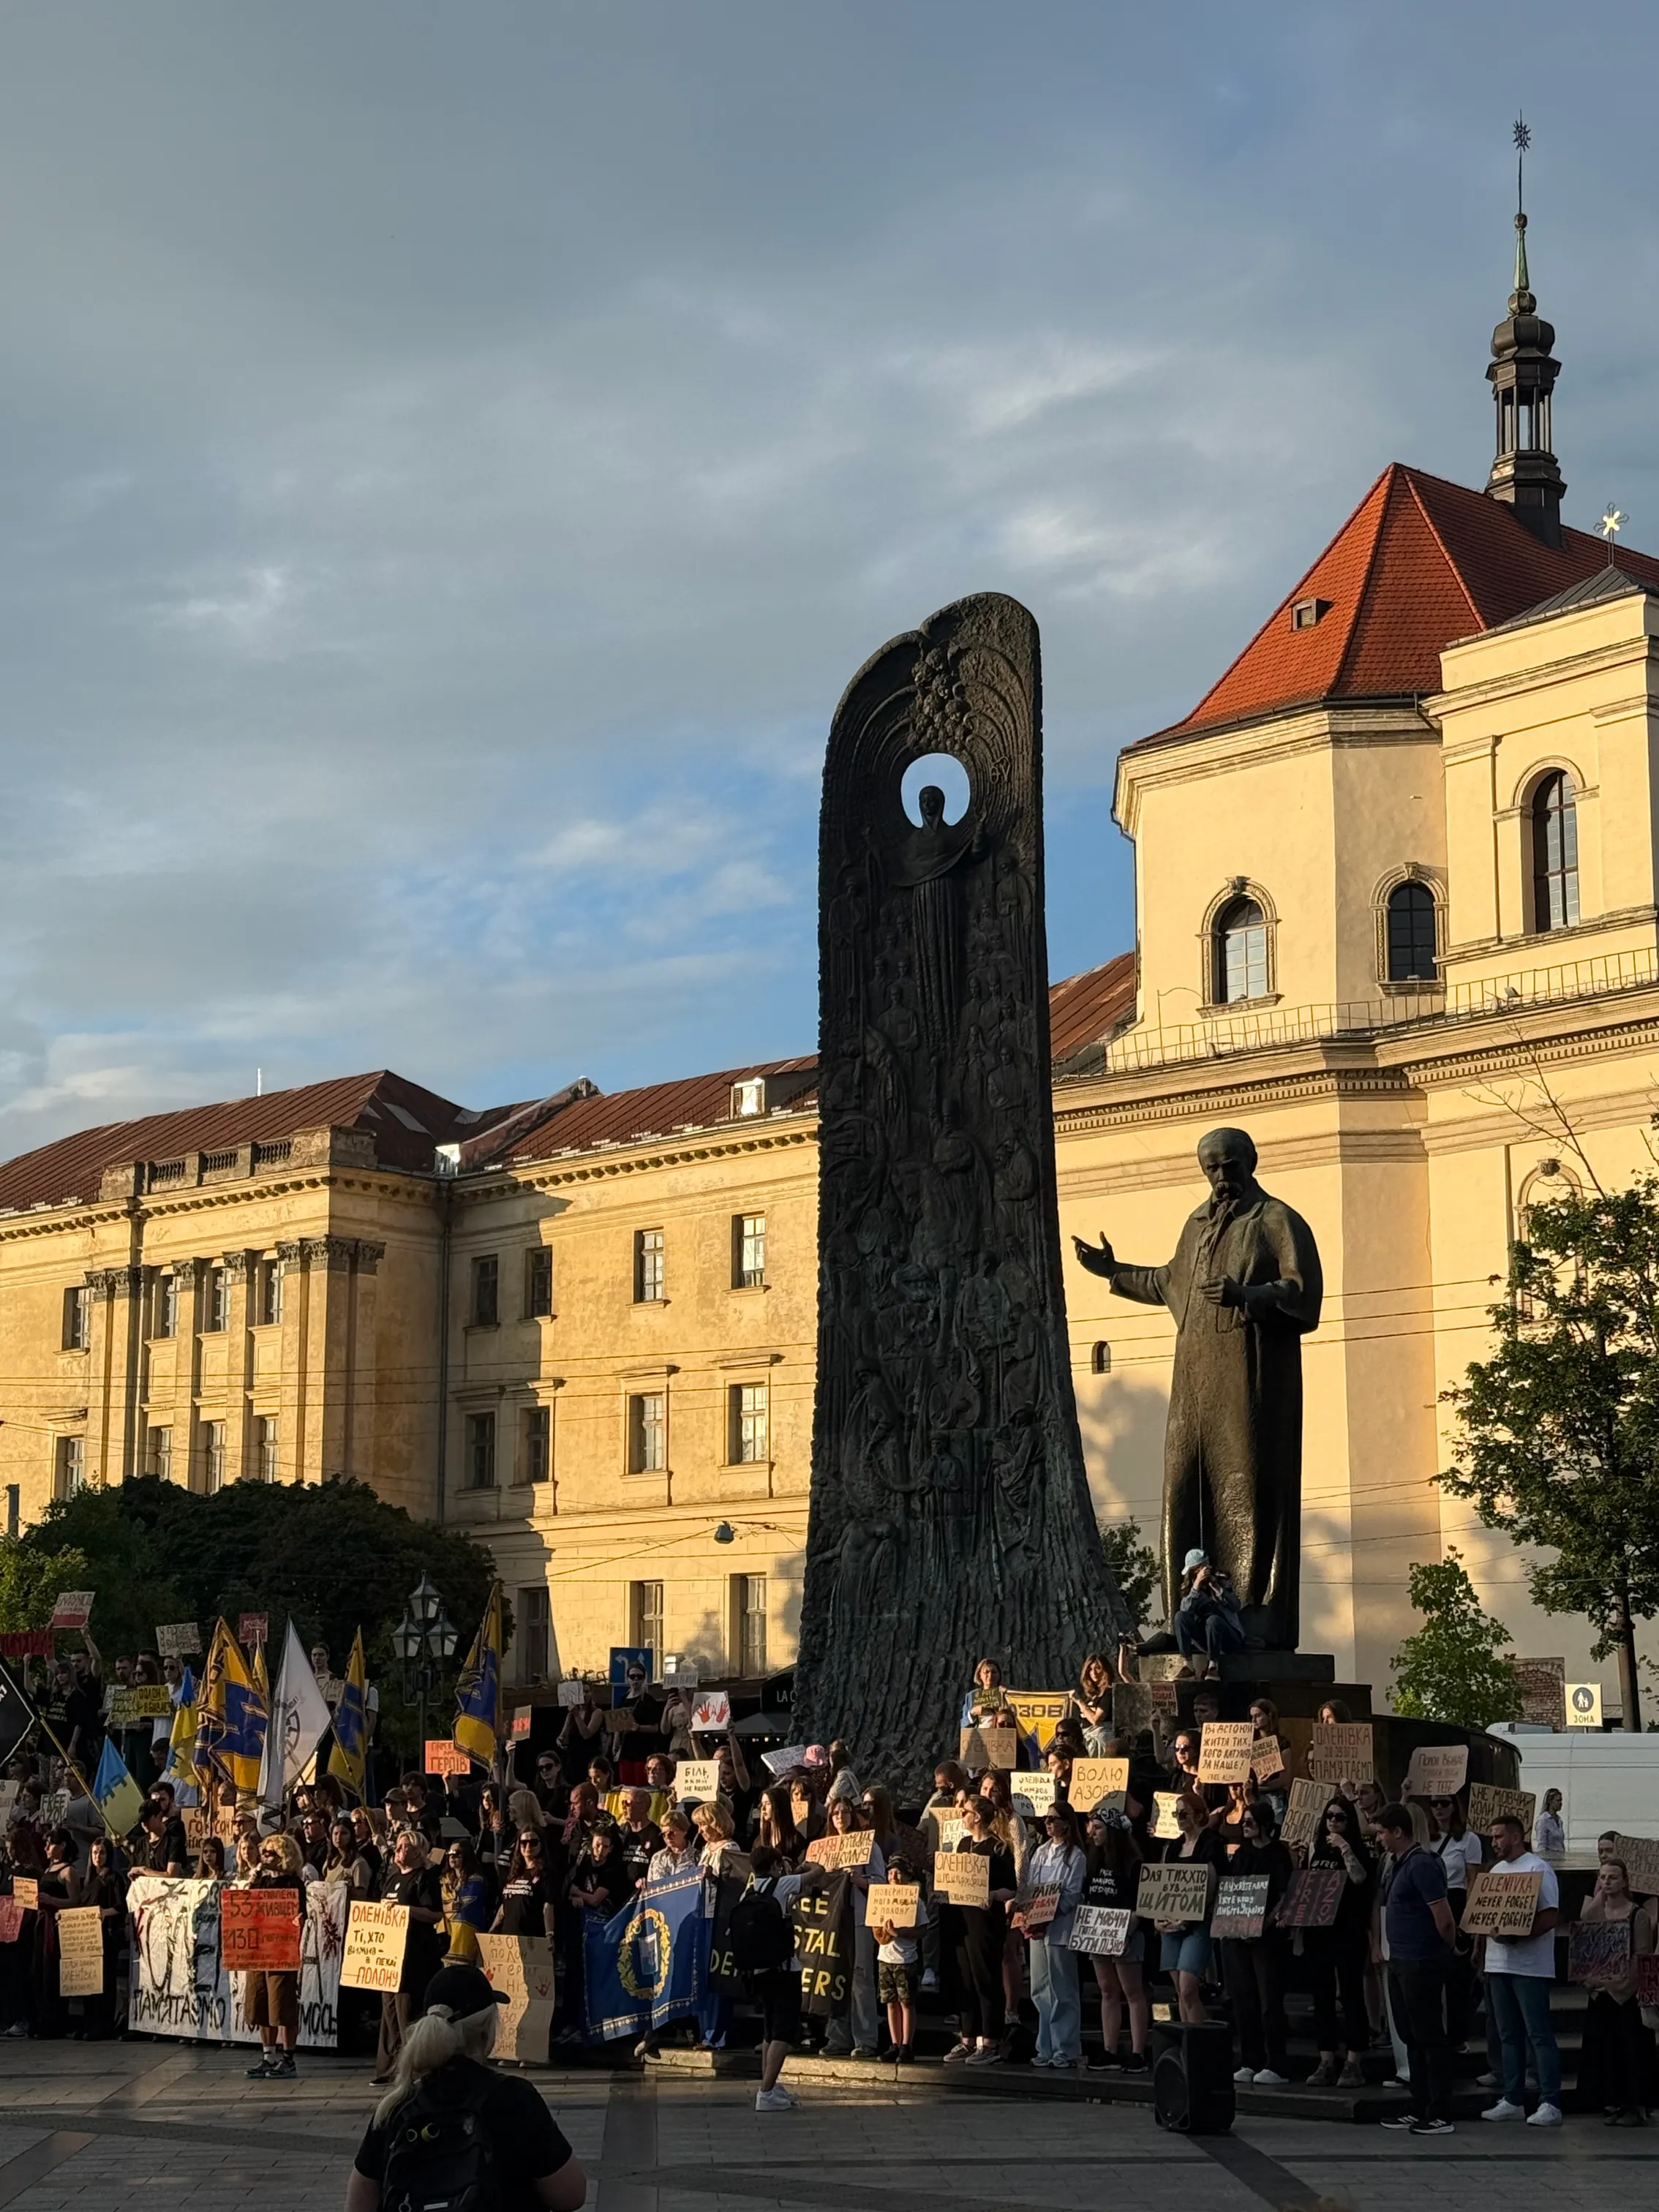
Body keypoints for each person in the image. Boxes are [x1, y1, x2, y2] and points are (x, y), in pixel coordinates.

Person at [347, 1960, 587, 2212]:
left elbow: (358, 2204)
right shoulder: (514, 2097)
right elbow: (570, 2195)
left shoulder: (396, 2106)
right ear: (486, 2031)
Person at [1373, 1802, 1458, 2137]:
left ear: (1398, 1832)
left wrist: (1445, 1948)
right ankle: (1418, 2104)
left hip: (1421, 1961)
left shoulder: (1422, 1864)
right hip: (1401, 1960)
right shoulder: (1396, 1864)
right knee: (1410, 2034)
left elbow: (1444, 1918)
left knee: (1429, 2036)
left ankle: (1439, 2111)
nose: (1378, 1838)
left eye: (1382, 1832)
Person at [1479, 1811, 1562, 2127]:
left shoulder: (1539, 1868)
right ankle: (1512, 2098)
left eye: (1499, 1836)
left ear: (1516, 1836)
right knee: (1507, 2034)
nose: (1494, 1842)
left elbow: (1551, 1914)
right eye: (1493, 1837)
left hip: (1530, 1967)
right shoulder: (1496, 1870)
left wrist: (1519, 1936)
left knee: (1538, 2034)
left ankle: (1550, 2101)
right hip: (1498, 1963)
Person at [1576, 1858, 1657, 2125]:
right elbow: (1585, 1941)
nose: (1607, 1882)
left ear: (1624, 1881)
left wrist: (1616, 1986)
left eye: (1612, 1877)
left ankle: (1635, 2107)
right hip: (1600, 1994)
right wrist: (1591, 1982)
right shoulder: (1596, 1910)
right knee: (1606, 2051)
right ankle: (1612, 2103)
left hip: (1626, 1997)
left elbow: (1640, 1957)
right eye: (1602, 1877)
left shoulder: (1638, 1915)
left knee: (1630, 2052)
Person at [1302, 1797, 1374, 2088]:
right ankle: (1326, 2059)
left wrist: (1344, 1847)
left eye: (1340, 1817)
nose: (1333, 1821)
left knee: (1351, 1993)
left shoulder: (1357, 1848)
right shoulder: (1315, 1847)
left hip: (1348, 1929)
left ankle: (1354, 2061)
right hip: (1318, 1929)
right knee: (1321, 1996)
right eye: (1329, 1816)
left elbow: (1360, 1879)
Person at [941, 1793, 1016, 2068]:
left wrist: (994, 1895)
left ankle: (991, 2041)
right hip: (961, 1919)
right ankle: (969, 2037)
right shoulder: (963, 1844)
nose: (961, 1815)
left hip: (985, 1922)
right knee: (966, 1980)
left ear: (978, 1817)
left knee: (986, 1978)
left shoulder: (998, 1848)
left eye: (965, 1812)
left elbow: (1012, 1888)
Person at [1222, 1801, 1293, 2085]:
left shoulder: (1278, 1854)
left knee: (1269, 2000)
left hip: (1268, 1937)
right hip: (1239, 1934)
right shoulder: (1241, 1854)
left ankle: (1277, 2063)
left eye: (1251, 1821)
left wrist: (1265, 1924)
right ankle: (1250, 2060)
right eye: (1244, 1821)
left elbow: (1285, 1894)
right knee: (1243, 1998)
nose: (1245, 1825)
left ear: (1265, 1824)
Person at [375, 1826, 447, 2084]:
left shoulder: (424, 1878)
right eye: (398, 1845)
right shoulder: (393, 1877)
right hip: (388, 1954)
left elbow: (435, 1914)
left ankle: (411, 2066)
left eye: (406, 1846)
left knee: (407, 2009)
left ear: (419, 1852)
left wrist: (405, 1910)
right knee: (389, 2010)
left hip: (413, 1953)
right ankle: (389, 2066)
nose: (399, 1849)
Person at [735, 1845, 802, 2112]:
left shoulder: (749, 1892)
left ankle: (770, 2085)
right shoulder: (782, 1884)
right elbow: (817, 1873)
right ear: (775, 1866)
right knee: (783, 2032)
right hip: (784, 1969)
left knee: (769, 2030)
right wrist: (797, 1868)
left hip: (758, 1972)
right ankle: (766, 2093)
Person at [1081, 1809, 1148, 2073]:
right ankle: (1109, 2050)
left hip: (1126, 1932)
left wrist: (1127, 1930)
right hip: (1098, 1931)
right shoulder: (1093, 1859)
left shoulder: (1133, 1863)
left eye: (1097, 1827)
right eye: (1091, 1827)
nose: (1092, 1832)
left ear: (1112, 1831)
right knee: (1107, 1990)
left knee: (1132, 1992)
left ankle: (1138, 2052)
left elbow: (1141, 1903)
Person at [1022, 1803, 1087, 2069]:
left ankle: (1066, 2048)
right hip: (1039, 1929)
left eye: (1053, 1819)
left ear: (1067, 1823)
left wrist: (1047, 1912)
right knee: (1040, 1989)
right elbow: (1030, 1887)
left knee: (1063, 1989)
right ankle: (1045, 2047)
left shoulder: (1076, 1856)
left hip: (1060, 1927)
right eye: (1046, 1819)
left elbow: (1071, 1894)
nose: (1048, 1823)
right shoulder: (1040, 1852)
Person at [242, 1831, 305, 2082]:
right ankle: (268, 2056)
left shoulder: (293, 1883)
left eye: (271, 1852)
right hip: (259, 1951)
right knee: (260, 2002)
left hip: (281, 1951)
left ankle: (288, 2058)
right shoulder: (262, 1881)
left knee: (282, 2004)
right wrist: (254, 1877)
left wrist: (299, 1920)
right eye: (264, 1851)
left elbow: (301, 1913)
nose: (265, 1856)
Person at [1157, 1790, 1225, 2024]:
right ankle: (1188, 2042)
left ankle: (1200, 2045)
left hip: (1199, 1923)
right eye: (1176, 1813)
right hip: (1171, 1922)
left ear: (1198, 1815)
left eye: (1184, 1813)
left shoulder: (1212, 1843)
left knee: (1188, 1988)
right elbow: (1162, 1883)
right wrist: (1158, 1917)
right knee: (1180, 1991)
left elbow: (1212, 1884)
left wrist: (1188, 1919)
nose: (1179, 1818)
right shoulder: (1173, 1847)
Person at [1427, 1793, 1483, 2047]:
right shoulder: (1425, 1837)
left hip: (1457, 1900)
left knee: (1458, 1975)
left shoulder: (1468, 1839)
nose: (1438, 1808)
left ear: (1454, 1807)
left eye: (1444, 1803)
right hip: (1430, 1902)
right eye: (1434, 1803)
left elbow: (1472, 1879)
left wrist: (1469, 1918)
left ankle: (1458, 2034)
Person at [872, 1849, 927, 2062]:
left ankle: (907, 2045)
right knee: (890, 2002)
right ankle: (895, 2043)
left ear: (906, 1875)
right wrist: (881, 1934)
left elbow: (923, 1930)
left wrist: (900, 1933)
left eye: (897, 1873)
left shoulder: (916, 1901)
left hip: (906, 1958)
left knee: (906, 2002)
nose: (893, 1877)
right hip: (885, 1957)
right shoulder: (882, 1899)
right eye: (890, 1873)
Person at [1170, 1551, 1244, 1675]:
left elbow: (1236, 1606)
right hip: (1207, 1640)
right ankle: (1188, 1665)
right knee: (1180, 1616)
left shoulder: (1221, 1582)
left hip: (1229, 1639)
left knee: (1213, 1620)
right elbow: (1185, 1612)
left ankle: (1213, 1667)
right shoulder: (1190, 1590)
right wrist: (1196, 1586)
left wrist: (1216, 1587)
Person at [443, 1840, 494, 1965]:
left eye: (457, 1853)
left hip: (468, 1939)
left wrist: (448, 1908)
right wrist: (447, 1907)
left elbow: (467, 1906)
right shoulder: (444, 1881)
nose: (452, 1857)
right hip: (447, 1940)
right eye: (450, 1853)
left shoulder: (476, 1881)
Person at [1535, 1788, 1566, 1859]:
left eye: (1561, 1801)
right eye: (1558, 1801)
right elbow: (1542, 1845)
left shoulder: (1559, 1820)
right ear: (1550, 1802)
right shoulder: (1543, 1820)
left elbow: (1561, 1843)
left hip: (1560, 1859)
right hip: (1550, 1860)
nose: (1560, 1803)